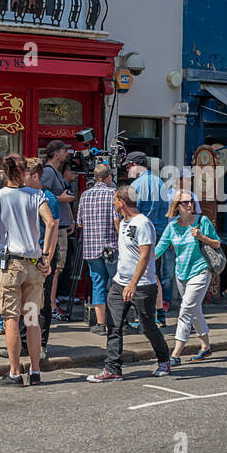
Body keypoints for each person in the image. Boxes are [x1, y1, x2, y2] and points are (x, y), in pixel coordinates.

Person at [0, 153, 57, 386]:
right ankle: (35, 371)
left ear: (5, 172)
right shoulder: (36, 195)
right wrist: (47, 256)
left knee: (11, 318)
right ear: (23, 172)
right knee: (32, 318)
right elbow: (51, 223)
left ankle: (15, 373)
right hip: (33, 265)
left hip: (10, 265)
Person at [88, 185, 172, 382]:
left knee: (148, 325)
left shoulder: (143, 224)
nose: (113, 203)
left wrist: (133, 284)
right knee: (114, 326)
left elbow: (145, 256)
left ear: (122, 202)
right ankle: (113, 368)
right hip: (119, 283)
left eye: (115, 200)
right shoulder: (125, 222)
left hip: (142, 285)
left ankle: (164, 359)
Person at [155, 191, 219, 366]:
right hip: (181, 274)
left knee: (185, 310)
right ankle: (206, 346)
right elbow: (158, 249)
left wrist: (201, 236)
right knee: (194, 310)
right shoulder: (172, 227)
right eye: (185, 203)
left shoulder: (202, 221)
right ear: (177, 206)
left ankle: (175, 354)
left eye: (191, 201)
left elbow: (217, 243)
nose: (190, 205)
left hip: (200, 272)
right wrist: (142, 261)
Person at [126, 151, 172, 326]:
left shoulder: (136, 185)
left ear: (137, 165)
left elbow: (131, 212)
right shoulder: (161, 183)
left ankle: (144, 316)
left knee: (141, 274)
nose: (128, 170)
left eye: (129, 166)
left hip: (142, 234)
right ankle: (159, 314)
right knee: (153, 274)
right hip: (159, 233)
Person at [25, 157, 61, 362]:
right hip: (26, 255)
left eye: (24, 175)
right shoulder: (23, 195)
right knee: (26, 302)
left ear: (35, 176)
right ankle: (24, 343)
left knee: (42, 302)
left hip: (42, 255)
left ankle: (42, 343)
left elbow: (53, 229)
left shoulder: (49, 199)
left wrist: (47, 258)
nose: (20, 179)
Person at [76, 163, 117, 336]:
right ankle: (118, 320)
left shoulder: (85, 195)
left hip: (91, 247)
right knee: (118, 284)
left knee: (98, 284)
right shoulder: (113, 194)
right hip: (111, 247)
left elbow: (80, 222)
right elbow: (117, 220)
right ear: (108, 177)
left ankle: (101, 324)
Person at [41, 141, 76, 321]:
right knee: (55, 268)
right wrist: (60, 198)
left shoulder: (55, 172)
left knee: (58, 268)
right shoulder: (48, 171)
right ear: (55, 153)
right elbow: (40, 194)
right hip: (55, 225)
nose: (67, 153)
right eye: (64, 150)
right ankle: (51, 305)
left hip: (62, 223)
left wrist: (70, 217)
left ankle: (51, 303)